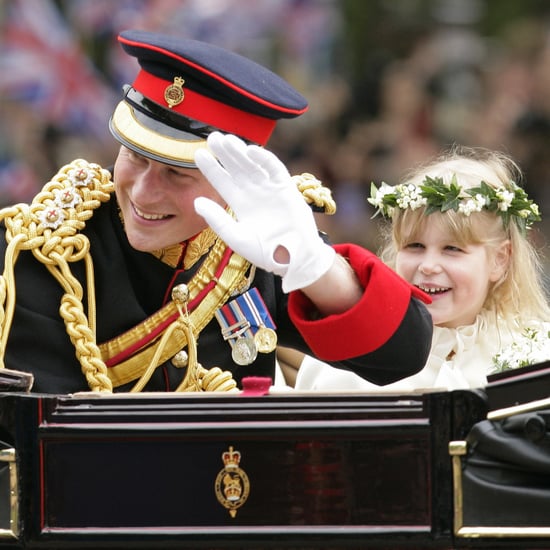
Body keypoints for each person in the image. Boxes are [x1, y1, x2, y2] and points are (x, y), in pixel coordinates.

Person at [0, 29, 432, 394]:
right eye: (135, 156)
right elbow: (47, 437)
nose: (145, 193)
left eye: (177, 173)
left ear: (235, 180)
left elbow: (403, 355)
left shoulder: (257, 239)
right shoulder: (45, 252)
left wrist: (314, 267)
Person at [295, 146, 550, 392]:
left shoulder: (537, 356)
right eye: (415, 246)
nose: (428, 266)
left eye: (452, 249)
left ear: (500, 259)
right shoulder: (347, 357)